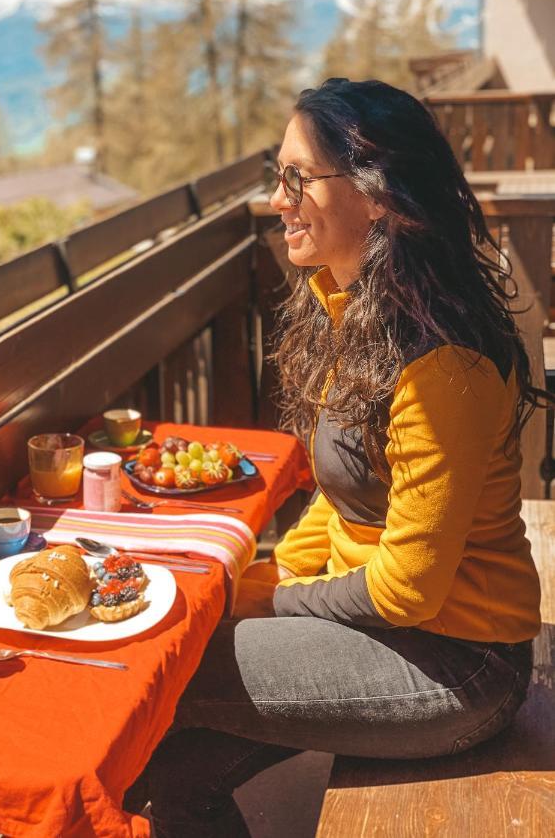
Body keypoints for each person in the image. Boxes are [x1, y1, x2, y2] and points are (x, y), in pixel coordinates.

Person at [124, 79, 542, 837]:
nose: (279, 199)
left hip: (457, 666)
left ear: (377, 196)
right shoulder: (356, 310)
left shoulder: (440, 362)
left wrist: (263, 599)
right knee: (167, 771)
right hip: (390, 635)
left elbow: (407, 591)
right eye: (274, 175)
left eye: (298, 178)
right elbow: (342, 497)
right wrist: (265, 575)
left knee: (157, 673)